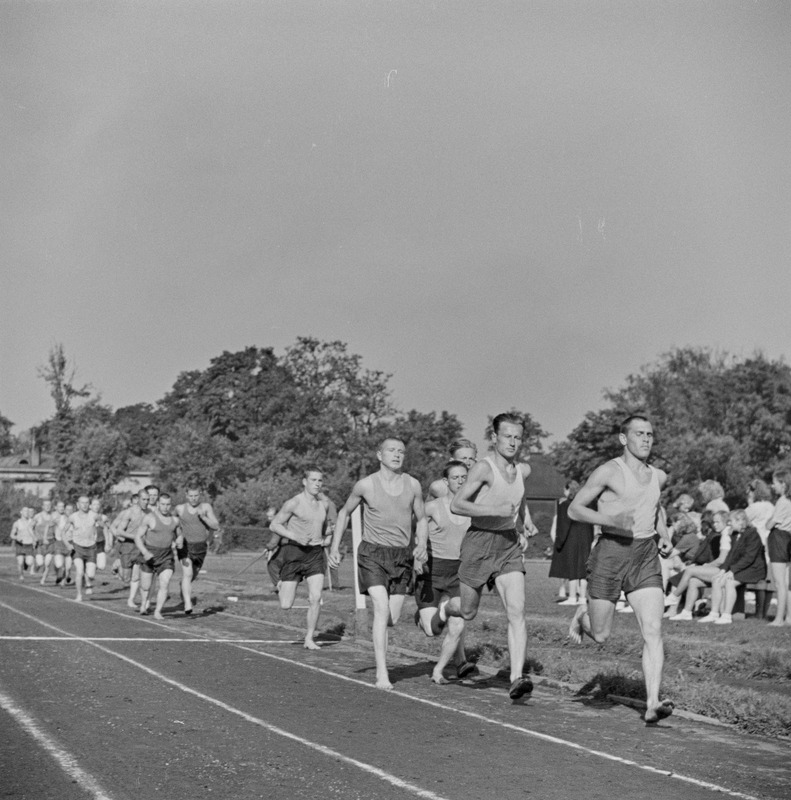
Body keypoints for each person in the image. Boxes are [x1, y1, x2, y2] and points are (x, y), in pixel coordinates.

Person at [567, 414, 674, 724]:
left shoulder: (659, 476)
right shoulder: (609, 472)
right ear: (624, 438)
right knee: (600, 634)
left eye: (650, 434)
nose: (646, 439)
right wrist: (611, 520)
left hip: (644, 555)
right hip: (610, 553)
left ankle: (652, 702)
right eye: (639, 434)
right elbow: (575, 508)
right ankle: (582, 616)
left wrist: (664, 536)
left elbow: (655, 509)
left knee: (653, 630)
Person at [435, 412, 538, 701]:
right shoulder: (483, 468)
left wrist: (523, 521)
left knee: (516, 611)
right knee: (468, 611)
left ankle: (517, 679)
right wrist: (494, 511)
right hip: (479, 542)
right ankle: (445, 609)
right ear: (494, 438)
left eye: (518, 437)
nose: (513, 442)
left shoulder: (523, 471)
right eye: (507, 436)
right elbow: (457, 504)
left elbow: (518, 496)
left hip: (507, 545)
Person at [328, 437, 428, 690]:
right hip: (372, 554)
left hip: (401, 556)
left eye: (401, 452)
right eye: (391, 451)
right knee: (381, 608)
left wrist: (422, 545)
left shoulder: (413, 484)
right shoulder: (366, 485)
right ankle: (382, 673)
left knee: (391, 618)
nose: (396, 455)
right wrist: (335, 546)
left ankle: (386, 631)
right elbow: (343, 513)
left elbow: (422, 518)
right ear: (379, 455)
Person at [414, 460, 475, 684]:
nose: (460, 481)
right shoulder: (431, 507)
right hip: (433, 570)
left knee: (458, 624)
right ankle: (429, 615)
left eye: (463, 477)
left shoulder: (472, 508)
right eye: (455, 477)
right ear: (445, 481)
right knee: (432, 632)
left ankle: (439, 669)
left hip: (459, 572)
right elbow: (414, 530)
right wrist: (417, 552)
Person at [269, 468, 334, 649]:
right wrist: (294, 536)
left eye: (320, 480)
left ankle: (309, 638)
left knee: (315, 597)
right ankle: (281, 582)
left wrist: (327, 536)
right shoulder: (294, 503)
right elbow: (274, 524)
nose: (317, 484)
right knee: (286, 605)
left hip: (315, 554)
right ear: (304, 482)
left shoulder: (324, 504)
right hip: (294, 552)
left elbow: (323, 528)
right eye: (313, 480)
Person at [699, 510, 766, 624]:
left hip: (754, 569)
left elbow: (749, 557)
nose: (729, 524)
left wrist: (732, 571)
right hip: (742, 567)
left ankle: (726, 615)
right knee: (717, 580)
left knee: (729, 582)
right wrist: (723, 570)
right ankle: (714, 613)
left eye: (731, 521)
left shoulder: (752, 534)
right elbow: (731, 555)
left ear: (740, 521)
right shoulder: (735, 534)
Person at [666, 510, 732, 620]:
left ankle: (674, 596)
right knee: (693, 581)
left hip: (723, 570)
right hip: (719, 568)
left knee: (689, 571)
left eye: (718, 522)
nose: (715, 525)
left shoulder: (725, 536)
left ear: (726, 522)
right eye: (714, 522)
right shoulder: (722, 534)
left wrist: (706, 566)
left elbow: (721, 560)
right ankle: (686, 612)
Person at [133, 493, 183, 619]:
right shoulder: (150, 518)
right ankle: (144, 603)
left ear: (170, 505)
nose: (165, 507)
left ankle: (158, 611)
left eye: (168, 504)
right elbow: (138, 537)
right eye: (163, 504)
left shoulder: (175, 521)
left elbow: (180, 535)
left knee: (164, 583)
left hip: (166, 555)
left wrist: (180, 541)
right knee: (145, 586)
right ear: (158, 504)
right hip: (149, 554)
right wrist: (144, 552)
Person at [548, 481, 595, 606]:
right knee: (583, 570)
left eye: (565, 489)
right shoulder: (587, 505)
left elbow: (563, 526)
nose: (564, 492)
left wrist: (559, 542)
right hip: (586, 540)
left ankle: (573, 597)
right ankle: (582, 598)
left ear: (569, 490)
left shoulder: (565, 506)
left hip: (571, 540)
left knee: (573, 569)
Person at [175, 486, 220, 614]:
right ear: (186, 495)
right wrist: (178, 538)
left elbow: (216, 526)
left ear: (200, 495)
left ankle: (183, 588)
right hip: (185, 546)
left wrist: (204, 518)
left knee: (192, 576)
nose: (193, 498)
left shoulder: (206, 507)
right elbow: (173, 524)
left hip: (200, 547)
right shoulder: (179, 508)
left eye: (196, 496)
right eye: (191, 496)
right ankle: (188, 604)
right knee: (187, 574)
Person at [110, 490, 151, 606]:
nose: (146, 502)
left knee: (136, 576)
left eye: (148, 499)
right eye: (144, 499)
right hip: (128, 545)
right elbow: (119, 531)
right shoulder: (129, 512)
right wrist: (135, 536)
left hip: (141, 547)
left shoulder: (150, 513)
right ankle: (118, 567)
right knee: (126, 579)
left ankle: (135, 600)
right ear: (138, 499)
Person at [63, 496, 99, 602]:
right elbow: (63, 532)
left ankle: (86, 580)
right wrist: (67, 544)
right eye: (82, 503)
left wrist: (107, 541)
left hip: (91, 547)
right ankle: (79, 595)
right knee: (79, 571)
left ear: (89, 504)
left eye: (87, 503)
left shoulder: (95, 516)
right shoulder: (72, 517)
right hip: (77, 547)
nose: (84, 505)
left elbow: (105, 527)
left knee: (91, 574)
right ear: (78, 504)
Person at [766, 469, 791, 627]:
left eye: (774, 482)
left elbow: (770, 524)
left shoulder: (782, 501)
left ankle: (778, 618)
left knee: (780, 583)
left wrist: (768, 521)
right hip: (788, 538)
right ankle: (789, 617)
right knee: (788, 583)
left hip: (778, 538)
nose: (772, 485)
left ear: (783, 483)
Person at [32, 500, 58, 584]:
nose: (48, 506)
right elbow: (29, 527)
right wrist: (34, 537)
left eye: (49, 505)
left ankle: (43, 579)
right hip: (40, 543)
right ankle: (36, 567)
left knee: (47, 562)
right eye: (46, 505)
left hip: (51, 542)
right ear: (42, 506)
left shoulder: (53, 517)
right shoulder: (38, 516)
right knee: (40, 563)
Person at [10, 507, 36, 580]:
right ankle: (21, 575)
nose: (27, 512)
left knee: (30, 563)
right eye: (25, 511)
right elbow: (12, 535)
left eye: (28, 511)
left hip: (29, 545)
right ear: (21, 512)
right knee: (20, 562)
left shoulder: (32, 522)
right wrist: (16, 538)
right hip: (20, 545)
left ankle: (26, 563)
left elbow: (37, 531)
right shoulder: (17, 523)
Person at [90, 498, 110, 572]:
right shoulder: (86, 517)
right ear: (90, 506)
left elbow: (109, 530)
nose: (96, 506)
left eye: (98, 504)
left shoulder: (104, 517)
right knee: (90, 566)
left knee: (101, 566)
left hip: (100, 543)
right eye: (94, 504)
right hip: (89, 544)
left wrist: (108, 543)